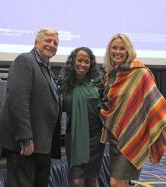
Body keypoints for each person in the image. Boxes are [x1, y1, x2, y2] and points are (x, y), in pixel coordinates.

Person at [100, 34, 166, 187]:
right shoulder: (110, 76)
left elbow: (154, 102)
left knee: (115, 182)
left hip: (133, 135)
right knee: (122, 181)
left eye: (122, 48)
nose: (118, 52)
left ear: (129, 51)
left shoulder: (141, 73)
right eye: (114, 48)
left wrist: (157, 123)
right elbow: (110, 104)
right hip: (116, 135)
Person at [0, 28, 61, 187]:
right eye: (48, 40)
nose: (52, 45)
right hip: (26, 146)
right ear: (36, 42)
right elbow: (17, 102)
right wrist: (25, 138)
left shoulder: (47, 68)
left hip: (42, 146)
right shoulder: (25, 61)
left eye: (55, 43)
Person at [58, 47, 105, 187]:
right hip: (74, 136)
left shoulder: (99, 82)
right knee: (76, 180)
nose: (83, 64)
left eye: (87, 61)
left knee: (91, 178)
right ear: (73, 61)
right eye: (79, 60)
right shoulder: (63, 83)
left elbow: (107, 105)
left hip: (95, 137)